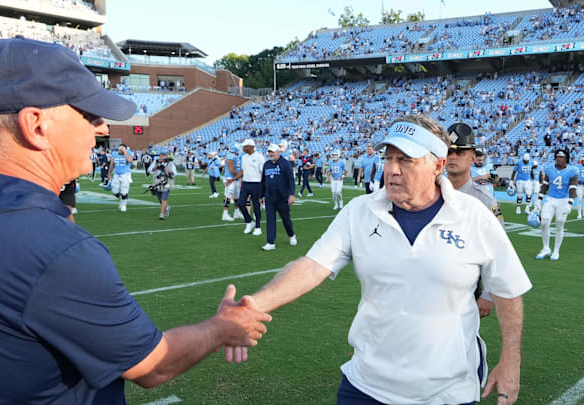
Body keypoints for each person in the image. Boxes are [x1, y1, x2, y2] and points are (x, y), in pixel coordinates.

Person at [0, 37, 272, 404]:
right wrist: (224, 326)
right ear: (36, 124)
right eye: (88, 114)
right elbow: (153, 365)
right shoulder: (46, 246)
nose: (102, 127)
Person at [225, 115, 531, 404]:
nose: (392, 169)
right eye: (388, 158)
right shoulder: (360, 210)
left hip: (446, 392)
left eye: (405, 160)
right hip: (365, 386)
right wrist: (252, 306)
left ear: (437, 165)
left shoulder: (475, 215)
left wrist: (511, 361)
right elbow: (312, 266)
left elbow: (508, 288)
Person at [446, 123, 505, 319]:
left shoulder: (485, 201)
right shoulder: (426, 194)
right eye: (449, 151)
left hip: (466, 288)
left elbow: (498, 250)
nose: (452, 157)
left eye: (460, 152)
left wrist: (489, 294)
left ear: (473, 157)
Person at [534, 149, 579, 261]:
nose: (559, 158)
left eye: (561, 157)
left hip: (563, 200)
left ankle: (556, 250)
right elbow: (545, 184)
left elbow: (573, 187)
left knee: (559, 224)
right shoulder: (549, 169)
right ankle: (545, 248)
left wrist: (570, 203)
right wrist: (539, 199)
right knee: (544, 221)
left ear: (566, 159)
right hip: (550, 199)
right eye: (557, 156)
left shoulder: (572, 170)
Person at [260, 144, 296, 251]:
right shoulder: (266, 164)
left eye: (272, 152)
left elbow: (291, 180)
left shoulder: (285, 163)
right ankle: (270, 242)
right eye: (269, 152)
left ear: (278, 152)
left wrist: (291, 194)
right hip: (269, 197)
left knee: (286, 219)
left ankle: (291, 234)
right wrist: (260, 195)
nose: (270, 154)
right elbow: (263, 181)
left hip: (282, 197)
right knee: (270, 219)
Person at [226, 139, 264, 235]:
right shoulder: (243, 157)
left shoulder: (260, 157)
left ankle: (258, 227)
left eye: (245, 146)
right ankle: (249, 222)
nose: (243, 148)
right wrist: (233, 179)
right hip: (246, 183)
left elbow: (263, 173)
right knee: (241, 203)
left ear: (251, 146)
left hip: (256, 183)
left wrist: (264, 187)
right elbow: (243, 171)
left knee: (256, 206)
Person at [149, 150, 177, 220]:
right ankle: (166, 207)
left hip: (166, 182)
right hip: (157, 182)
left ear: (167, 156)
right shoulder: (155, 162)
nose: (161, 157)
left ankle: (161, 214)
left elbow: (175, 173)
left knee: (164, 198)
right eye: (160, 155)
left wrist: (171, 172)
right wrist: (155, 167)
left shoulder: (170, 163)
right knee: (159, 198)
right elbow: (149, 170)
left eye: (163, 155)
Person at [222, 143, 243, 222]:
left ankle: (237, 212)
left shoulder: (236, 156)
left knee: (237, 196)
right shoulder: (230, 156)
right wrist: (239, 176)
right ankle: (225, 213)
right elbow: (231, 170)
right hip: (230, 178)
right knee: (228, 196)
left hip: (235, 179)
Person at [109, 144, 133, 212]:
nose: (120, 151)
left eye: (121, 149)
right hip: (116, 174)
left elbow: (130, 160)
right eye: (119, 149)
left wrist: (125, 151)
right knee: (114, 191)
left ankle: (123, 205)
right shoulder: (114, 153)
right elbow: (112, 164)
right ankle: (123, 200)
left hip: (125, 174)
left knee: (124, 191)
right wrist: (109, 174)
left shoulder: (128, 153)